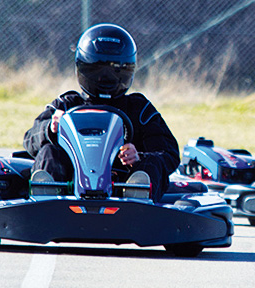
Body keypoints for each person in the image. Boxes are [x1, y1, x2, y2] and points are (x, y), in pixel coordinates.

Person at [23, 23, 178, 201]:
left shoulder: (139, 109)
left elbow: (169, 154)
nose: (106, 79)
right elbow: (29, 140)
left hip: (122, 184)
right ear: (83, 68)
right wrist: (51, 128)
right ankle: (46, 197)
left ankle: (138, 195)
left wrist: (138, 157)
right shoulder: (66, 105)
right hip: (69, 185)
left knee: (153, 163)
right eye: (97, 71)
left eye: (115, 71)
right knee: (49, 151)